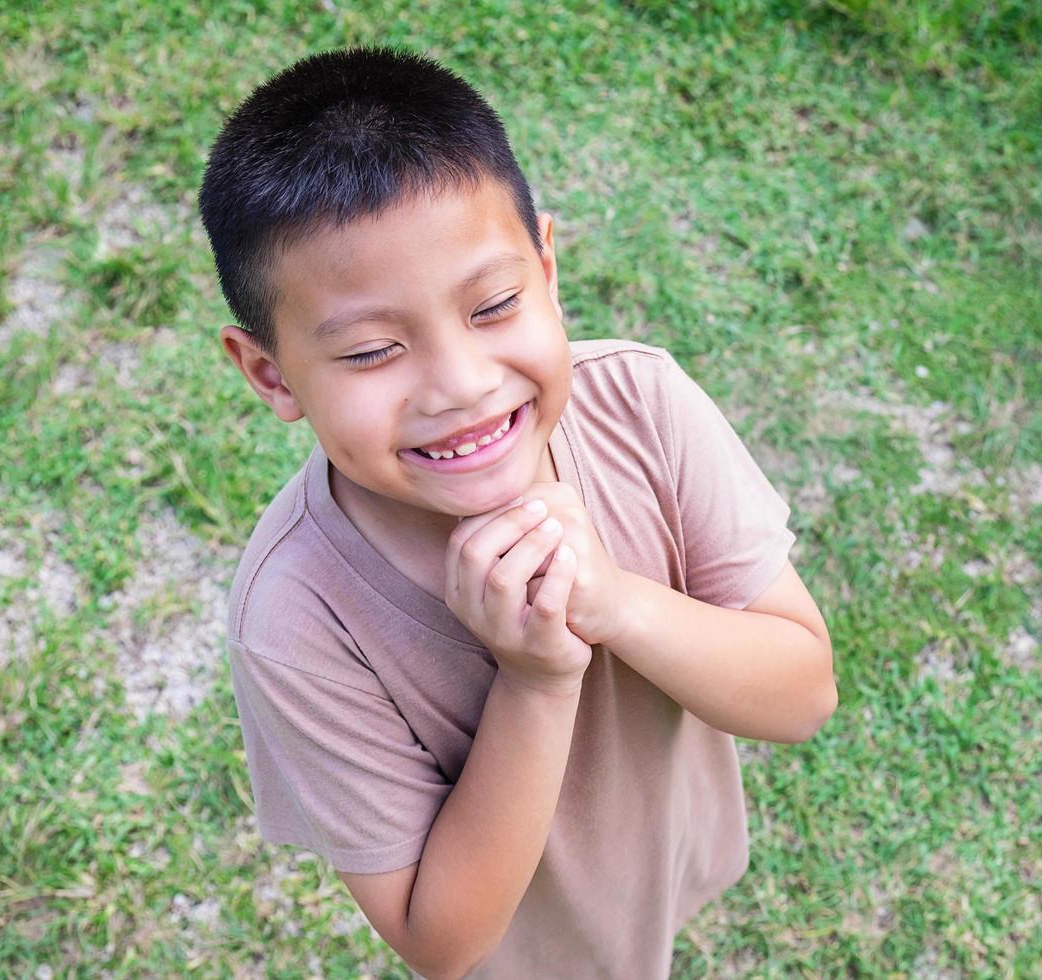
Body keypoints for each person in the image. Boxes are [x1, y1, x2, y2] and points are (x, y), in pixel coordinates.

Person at [198, 46, 837, 980]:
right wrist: (535, 682)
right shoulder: (296, 619)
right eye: (374, 352)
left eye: (495, 305)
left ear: (546, 263)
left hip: (666, 855)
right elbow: (440, 942)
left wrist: (615, 603)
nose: (460, 385)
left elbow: (804, 693)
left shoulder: (640, 404)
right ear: (269, 371)